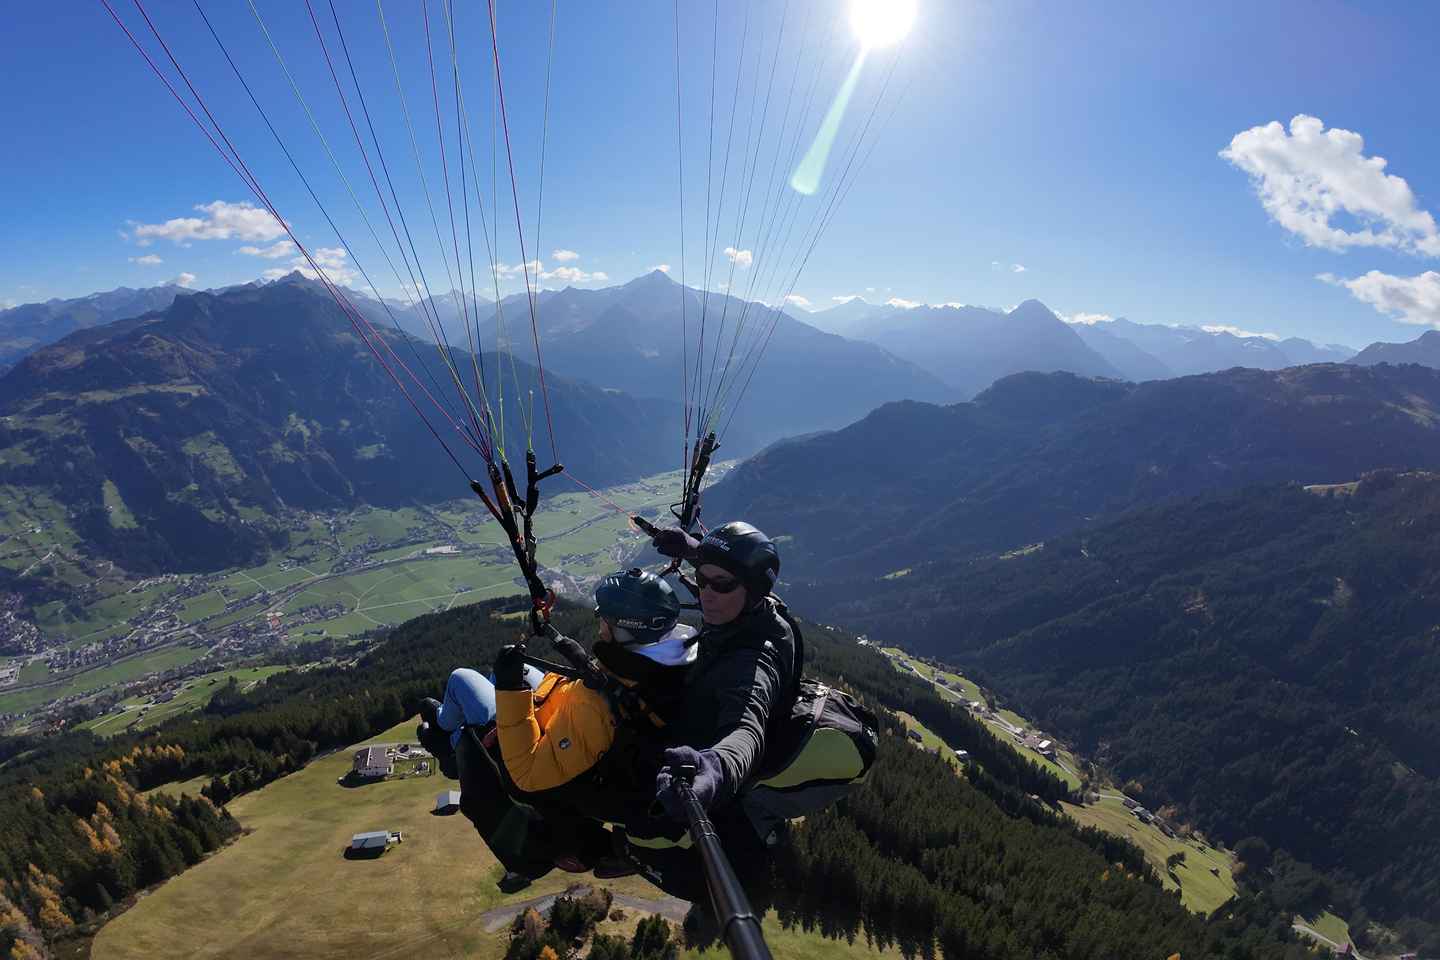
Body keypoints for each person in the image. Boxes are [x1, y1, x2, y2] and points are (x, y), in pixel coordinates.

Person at [414, 569, 697, 880]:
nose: (599, 624)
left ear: (625, 631)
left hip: (530, 752)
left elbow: (527, 773)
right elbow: (596, 690)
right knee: (507, 671)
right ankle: (456, 726)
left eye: (605, 619)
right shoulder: (661, 662)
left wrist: (510, 690)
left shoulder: (598, 707)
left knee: (461, 679)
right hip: (564, 715)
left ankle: (445, 736)